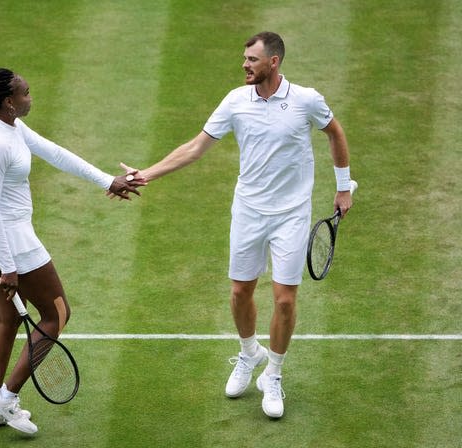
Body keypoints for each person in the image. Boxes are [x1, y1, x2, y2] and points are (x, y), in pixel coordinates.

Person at [122, 32, 352, 418]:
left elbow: (335, 133)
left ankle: (273, 375)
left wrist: (344, 188)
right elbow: (195, 148)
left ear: (273, 62)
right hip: (248, 211)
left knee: (284, 299)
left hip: (291, 214)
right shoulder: (234, 102)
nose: (245, 65)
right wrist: (146, 175)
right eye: (245, 59)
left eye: (252, 59)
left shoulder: (305, 101)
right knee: (240, 292)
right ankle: (249, 354)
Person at [0, 68, 145, 435]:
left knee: (8, 319)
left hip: (3, 235)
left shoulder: (10, 126)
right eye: (26, 93)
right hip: (9, 237)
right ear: (10, 101)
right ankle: (5, 397)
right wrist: (10, 267)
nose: (31, 97)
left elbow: (56, 154)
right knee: (57, 314)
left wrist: (107, 180)